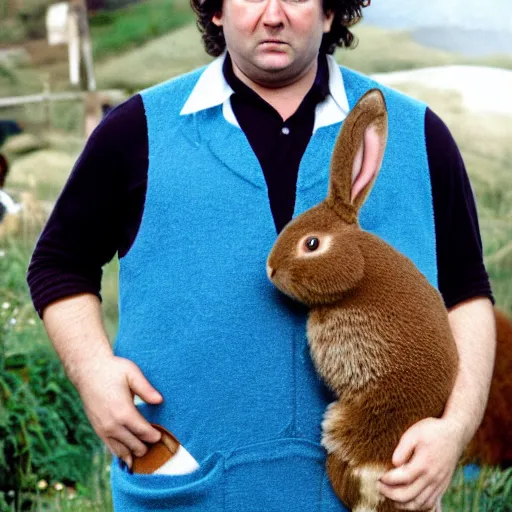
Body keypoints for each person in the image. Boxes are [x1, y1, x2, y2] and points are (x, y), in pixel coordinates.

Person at [27, 0, 497, 510]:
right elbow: (58, 264)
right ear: (215, 11)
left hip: (374, 491)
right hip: (187, 487)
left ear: (329, 11)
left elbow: (467, 293)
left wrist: (454, 429)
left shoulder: (419, 136)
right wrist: (94, 372)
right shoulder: (134, 131)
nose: (273, 15)